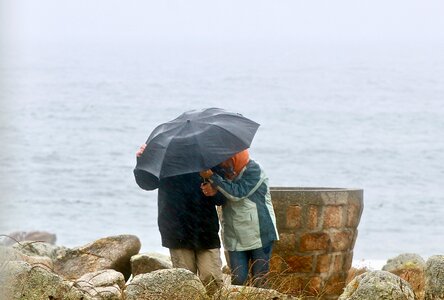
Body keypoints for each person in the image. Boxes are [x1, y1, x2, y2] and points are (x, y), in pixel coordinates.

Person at [134, 144, 224, 294]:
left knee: (212, 278)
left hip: (205, 228)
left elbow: (222, 198)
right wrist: (142, 160)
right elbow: (147, 183)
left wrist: (214, 189)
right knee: (185, 286)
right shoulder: (165, 158)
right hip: (176, 229)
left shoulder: (209, 158)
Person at [200, 149, 278, 287]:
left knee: (260, 281)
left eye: (226, 159)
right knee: (238, 281)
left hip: (260, 234)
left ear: (235, 158)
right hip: (234, 236)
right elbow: (221, 197)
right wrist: (211, 189)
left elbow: (237, 193)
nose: (223, 163)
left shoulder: (254, 170)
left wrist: (214, 179)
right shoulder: (221, 172)